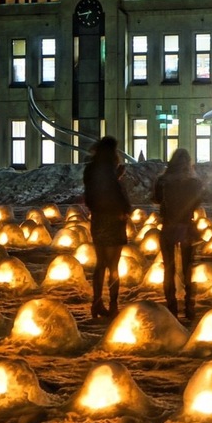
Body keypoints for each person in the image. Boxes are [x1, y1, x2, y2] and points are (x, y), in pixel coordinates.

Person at [153, 148, 204, 321]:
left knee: (169, 268)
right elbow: (198, 201)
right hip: (186, 226)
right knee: (187, 267)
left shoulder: (163, 181)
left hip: (168, 227)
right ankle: (189, 304)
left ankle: (172, 305)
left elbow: (156, 198)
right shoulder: (193, 182)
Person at [83, 136, 131, 319]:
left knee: (100, 264)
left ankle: (96, 303)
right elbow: (114, 193)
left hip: (98, 219)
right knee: (113, 266)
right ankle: (113, 304)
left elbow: (93, 193)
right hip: (113, 220)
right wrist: (125, 209)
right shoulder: (109, 170)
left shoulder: (91, 169)